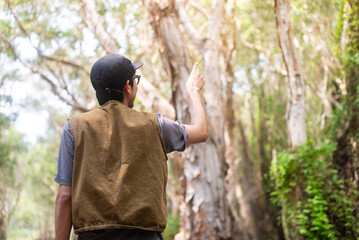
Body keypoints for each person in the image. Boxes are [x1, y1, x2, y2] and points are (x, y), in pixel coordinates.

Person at [54, 54, 207, 240]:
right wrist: (193, 91)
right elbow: (200, 131)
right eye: (136, 80)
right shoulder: (155, 125)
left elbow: (64, 197)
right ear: (128, 86)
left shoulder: (74, 128)